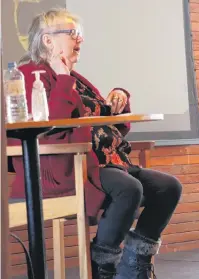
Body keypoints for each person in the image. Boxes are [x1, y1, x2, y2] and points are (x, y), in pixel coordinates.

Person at [8, 8, 182, 279]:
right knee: (128, 188)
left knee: (168, 187)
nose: (81, 39)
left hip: (107, 161)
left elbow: (113, 125)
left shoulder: (75, 78)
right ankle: (104, 267)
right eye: (72, 33)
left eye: (81, 34)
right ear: (48, 40)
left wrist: (119, 98)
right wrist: (63, 78)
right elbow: (53, 123)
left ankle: (136, 265)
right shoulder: (30, 74)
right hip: (67, 166)